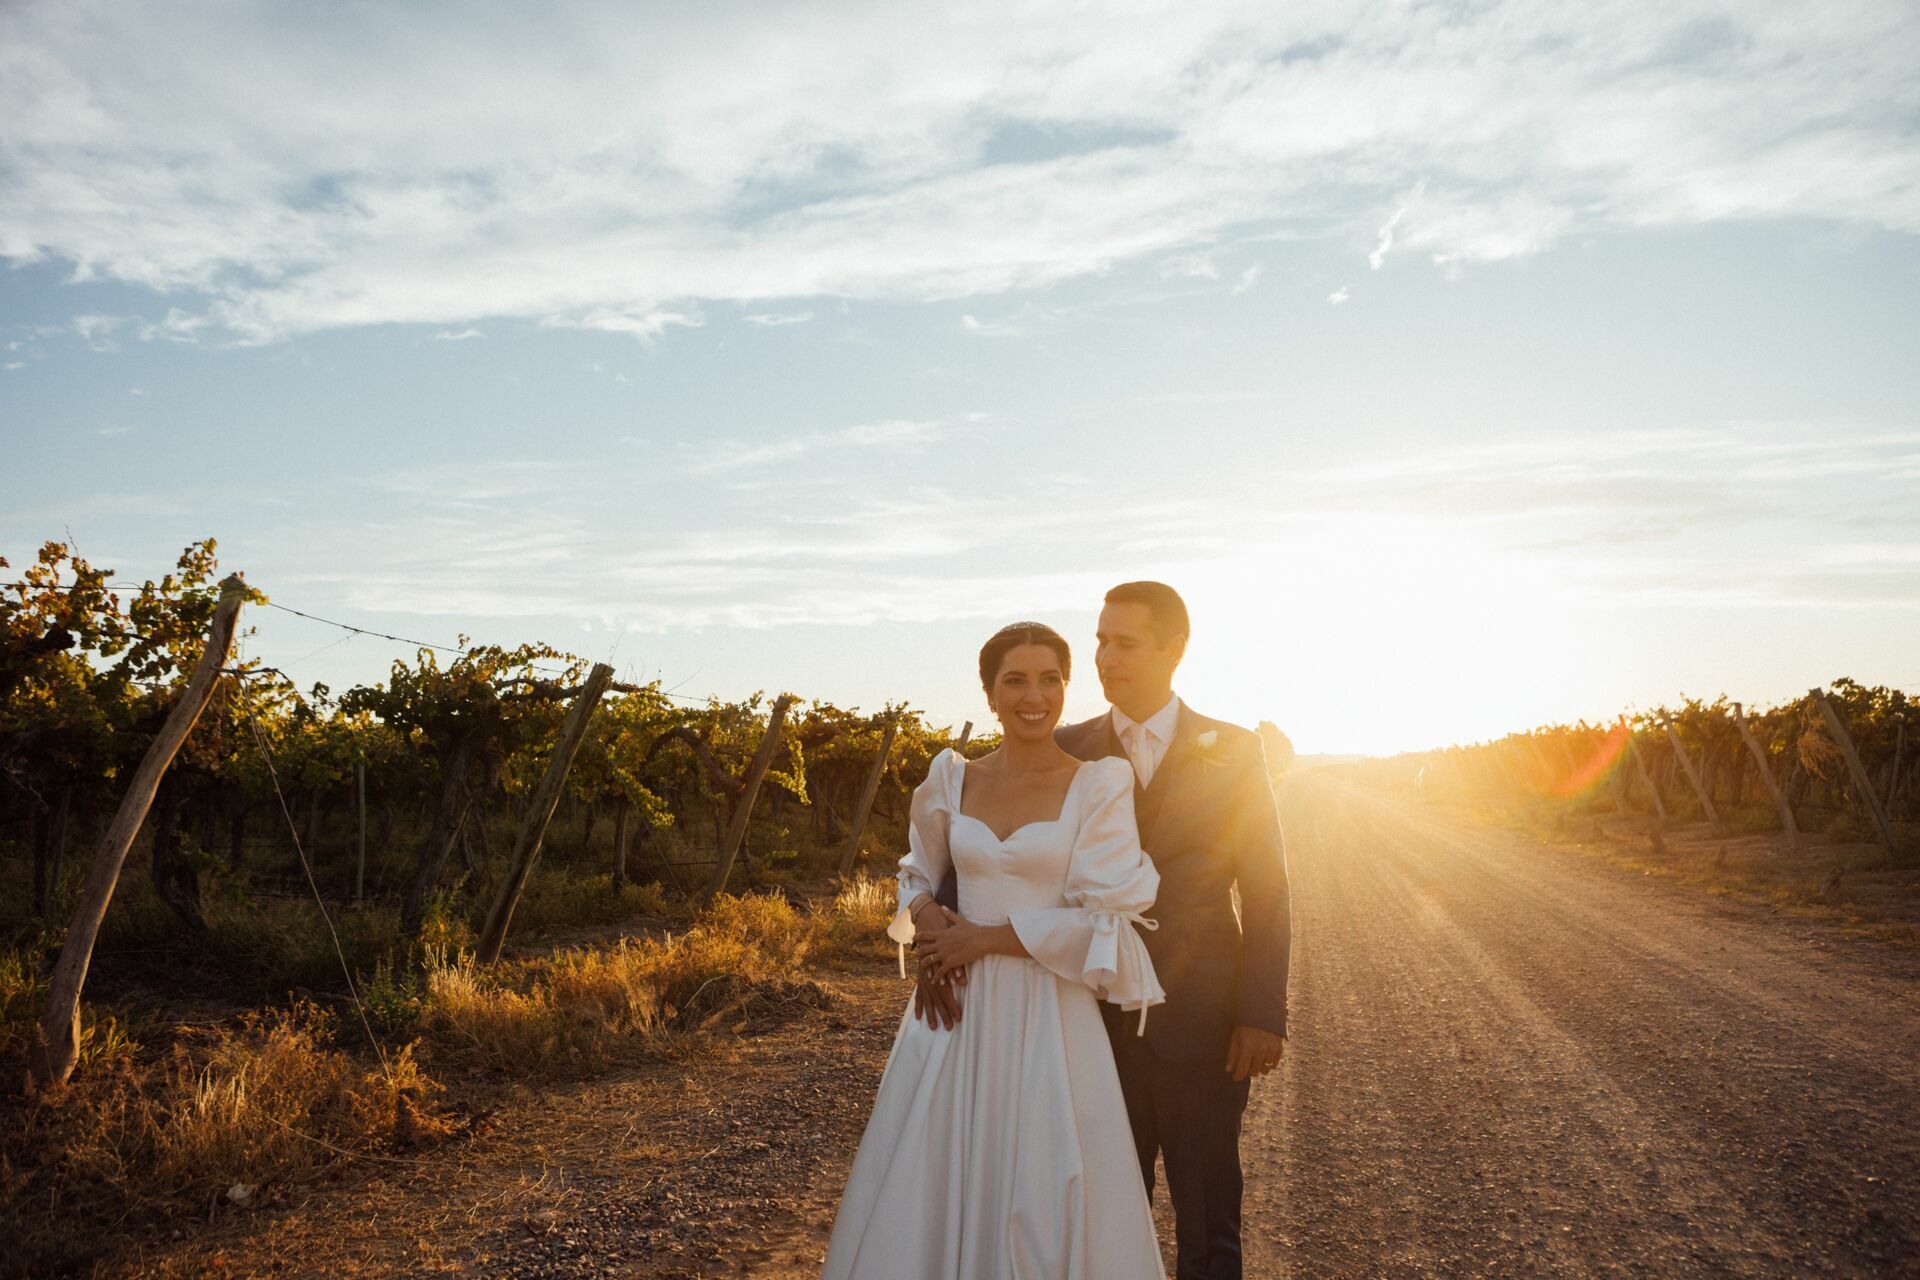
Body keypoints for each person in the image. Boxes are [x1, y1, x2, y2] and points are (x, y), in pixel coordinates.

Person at [918, 582, 1292, 1280]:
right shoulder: (1063, 745)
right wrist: (938, 935)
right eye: (1099, 640)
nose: (1105, 657)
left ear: (1175, 648)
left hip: (1203, 1024)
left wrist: (1261, 1012)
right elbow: (982, 845)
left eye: (1124, 641)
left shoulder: (1235, 751)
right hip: (1078, 1020)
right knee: (1091, 1219)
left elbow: (1267, 888)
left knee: (1210, 1220)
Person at [821, 621, 1168, 1280]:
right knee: (932, 1176)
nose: (1033, 696)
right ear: (989, 692)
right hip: (954, 1009)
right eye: (1015, 680)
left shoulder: (1099, 785)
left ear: (1066, 687)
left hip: (1050, 1014)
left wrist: (980, 939)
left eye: (1050, 679)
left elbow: (1107, 921)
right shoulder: (951, 779)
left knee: (1042, 1183)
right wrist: (931, 931)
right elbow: (913, 877)